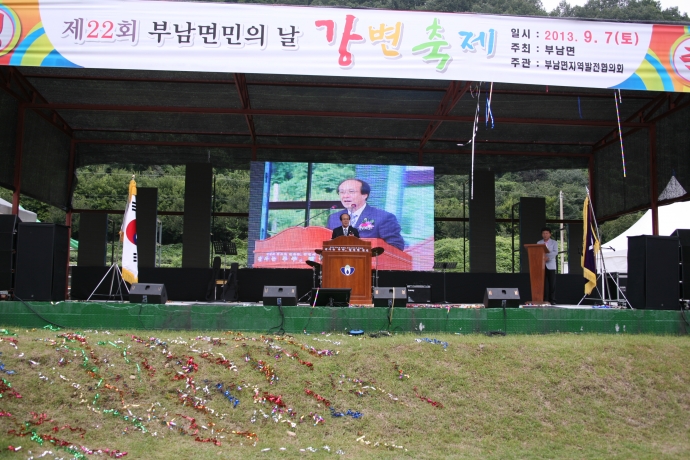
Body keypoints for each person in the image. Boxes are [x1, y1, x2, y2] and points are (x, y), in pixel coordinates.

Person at [326, 178, 405, 250]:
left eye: (351, 192)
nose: (345, 196)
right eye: (342, 192)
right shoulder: (334, 218)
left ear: (365, 195)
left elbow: (396, 246)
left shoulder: (383, 217)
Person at [537, 227, 558, 305]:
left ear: (550, 234)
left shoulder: (554, 242)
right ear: (541, 234)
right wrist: (542, 258)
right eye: (543, 233)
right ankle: (544, 299)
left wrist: (547, 258)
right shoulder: (539, 242)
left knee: (552, 283)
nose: (545, 235)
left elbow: (555, 252)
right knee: (543, 283)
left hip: (551, 265)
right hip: (541, 265)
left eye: (546, 233)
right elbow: (536, 251)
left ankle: (552, 300)